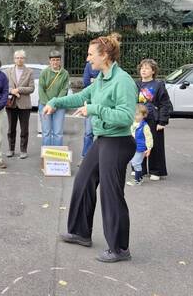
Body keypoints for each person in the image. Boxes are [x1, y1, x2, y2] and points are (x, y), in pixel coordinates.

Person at [45, 34, 137, 263]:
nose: (87, 59)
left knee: (110, 194)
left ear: (104, 55)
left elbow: (126, 118)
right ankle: (80, 232)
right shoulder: (101, 79)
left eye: (90, 54)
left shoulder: (122, 80)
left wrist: (95, 109)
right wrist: (55, 102)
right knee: (83, 180)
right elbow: (81, 98)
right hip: (103, 140)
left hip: (118, 142)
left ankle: (119, 248)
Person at [137, 59, 173, 181]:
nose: (143, 70)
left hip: (154, 119)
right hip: (139, 119)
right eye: (142, 67)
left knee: (155, 145)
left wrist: (162, 121)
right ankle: (139, 169)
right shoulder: (135, 85)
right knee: (139, 143)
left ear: (153, 71)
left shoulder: (158, 85)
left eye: (147, 68)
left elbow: (165, 104)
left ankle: (156, 170)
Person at [5, 50, 35, 159]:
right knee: (11, 129)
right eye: (17, 58)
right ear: (14, 59)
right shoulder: (8, 71)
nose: (19, 60)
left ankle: (23, 150)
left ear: (24, 59)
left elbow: (31, 88)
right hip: (11, 104)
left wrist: (19, 89)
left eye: (21, 58)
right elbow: (4, 87)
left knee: (24, 129)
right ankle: (11, 149)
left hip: (24, 105)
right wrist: (11, 91)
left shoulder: (29, 72)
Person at [39, 50, 69, 147]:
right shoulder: (44, 73)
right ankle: (46, 157)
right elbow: (41, 89)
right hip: (44, 105)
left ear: (60, 61)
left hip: (59, 106)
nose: (55, 62)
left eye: (57, 60)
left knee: (58, 133)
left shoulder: (64, 73)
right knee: (46, 133)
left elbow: (64, 90)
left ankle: (56, 157)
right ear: (49, 61)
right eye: (53, 60)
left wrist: (54, 104)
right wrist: (48, 105)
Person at [127, 104, 153, 186]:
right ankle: (140, 177)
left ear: (144, 115)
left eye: (138, 114)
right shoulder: (132, 123)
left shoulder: (144, 126)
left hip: (140, 148)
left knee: (136, 163)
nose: (135, 116)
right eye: (134, 114)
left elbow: (149, 137)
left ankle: (137, 180)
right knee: (134, 162)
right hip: (132, 146)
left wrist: (149, 148)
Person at [81, 61, 100, 161]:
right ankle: (86, 158)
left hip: (104, 104)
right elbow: (86, 81)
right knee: (88, 133)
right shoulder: (89, 65)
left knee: (102, 134)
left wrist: (95, 80)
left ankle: (99, 159)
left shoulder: (109, 65)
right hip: (90, 102)